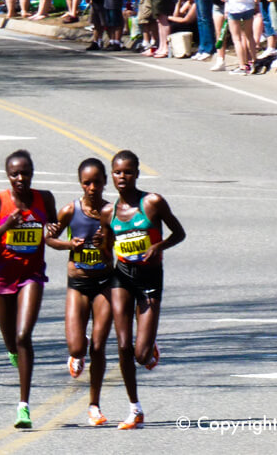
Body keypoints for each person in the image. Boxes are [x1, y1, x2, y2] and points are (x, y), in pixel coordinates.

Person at [100, 150, 186, 430]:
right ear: (111, 175)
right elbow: (106, 252)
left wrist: (158, 246)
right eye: (117, 172)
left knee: (140, 355)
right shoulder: (107, 212)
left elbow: (179, 233)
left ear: (137, 173)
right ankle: (134, 408)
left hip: (150, 278)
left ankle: (149, 348)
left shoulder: (153, 202)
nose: (121, 177)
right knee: (123, 346)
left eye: (127, 172)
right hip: (122, 277)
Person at [0, 150, 57, 428]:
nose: (21, 178)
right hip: (1, 280)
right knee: (11, 342)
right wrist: (5, 227)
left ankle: (24, 407)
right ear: (7, 175)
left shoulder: (44, 199)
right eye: (15, 174)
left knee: (23, 336)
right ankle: (13, 352)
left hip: (31, 275)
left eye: (26, 172)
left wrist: (54, 231)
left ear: (33, 172)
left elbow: (53, 230)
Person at [44, 158, 113, 426]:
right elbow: (49, 238)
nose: (92, 187)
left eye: (97, 181)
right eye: (87, 182)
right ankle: (77, 346)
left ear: (105, 181)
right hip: (79, 283)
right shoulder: (70, 210)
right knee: (77, 347)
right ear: (80, 183)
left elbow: (122, 246)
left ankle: (94, 405)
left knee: (98, 347)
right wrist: (67, 244)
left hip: (105, 283)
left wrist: (106, 242)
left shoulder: (112, 211)